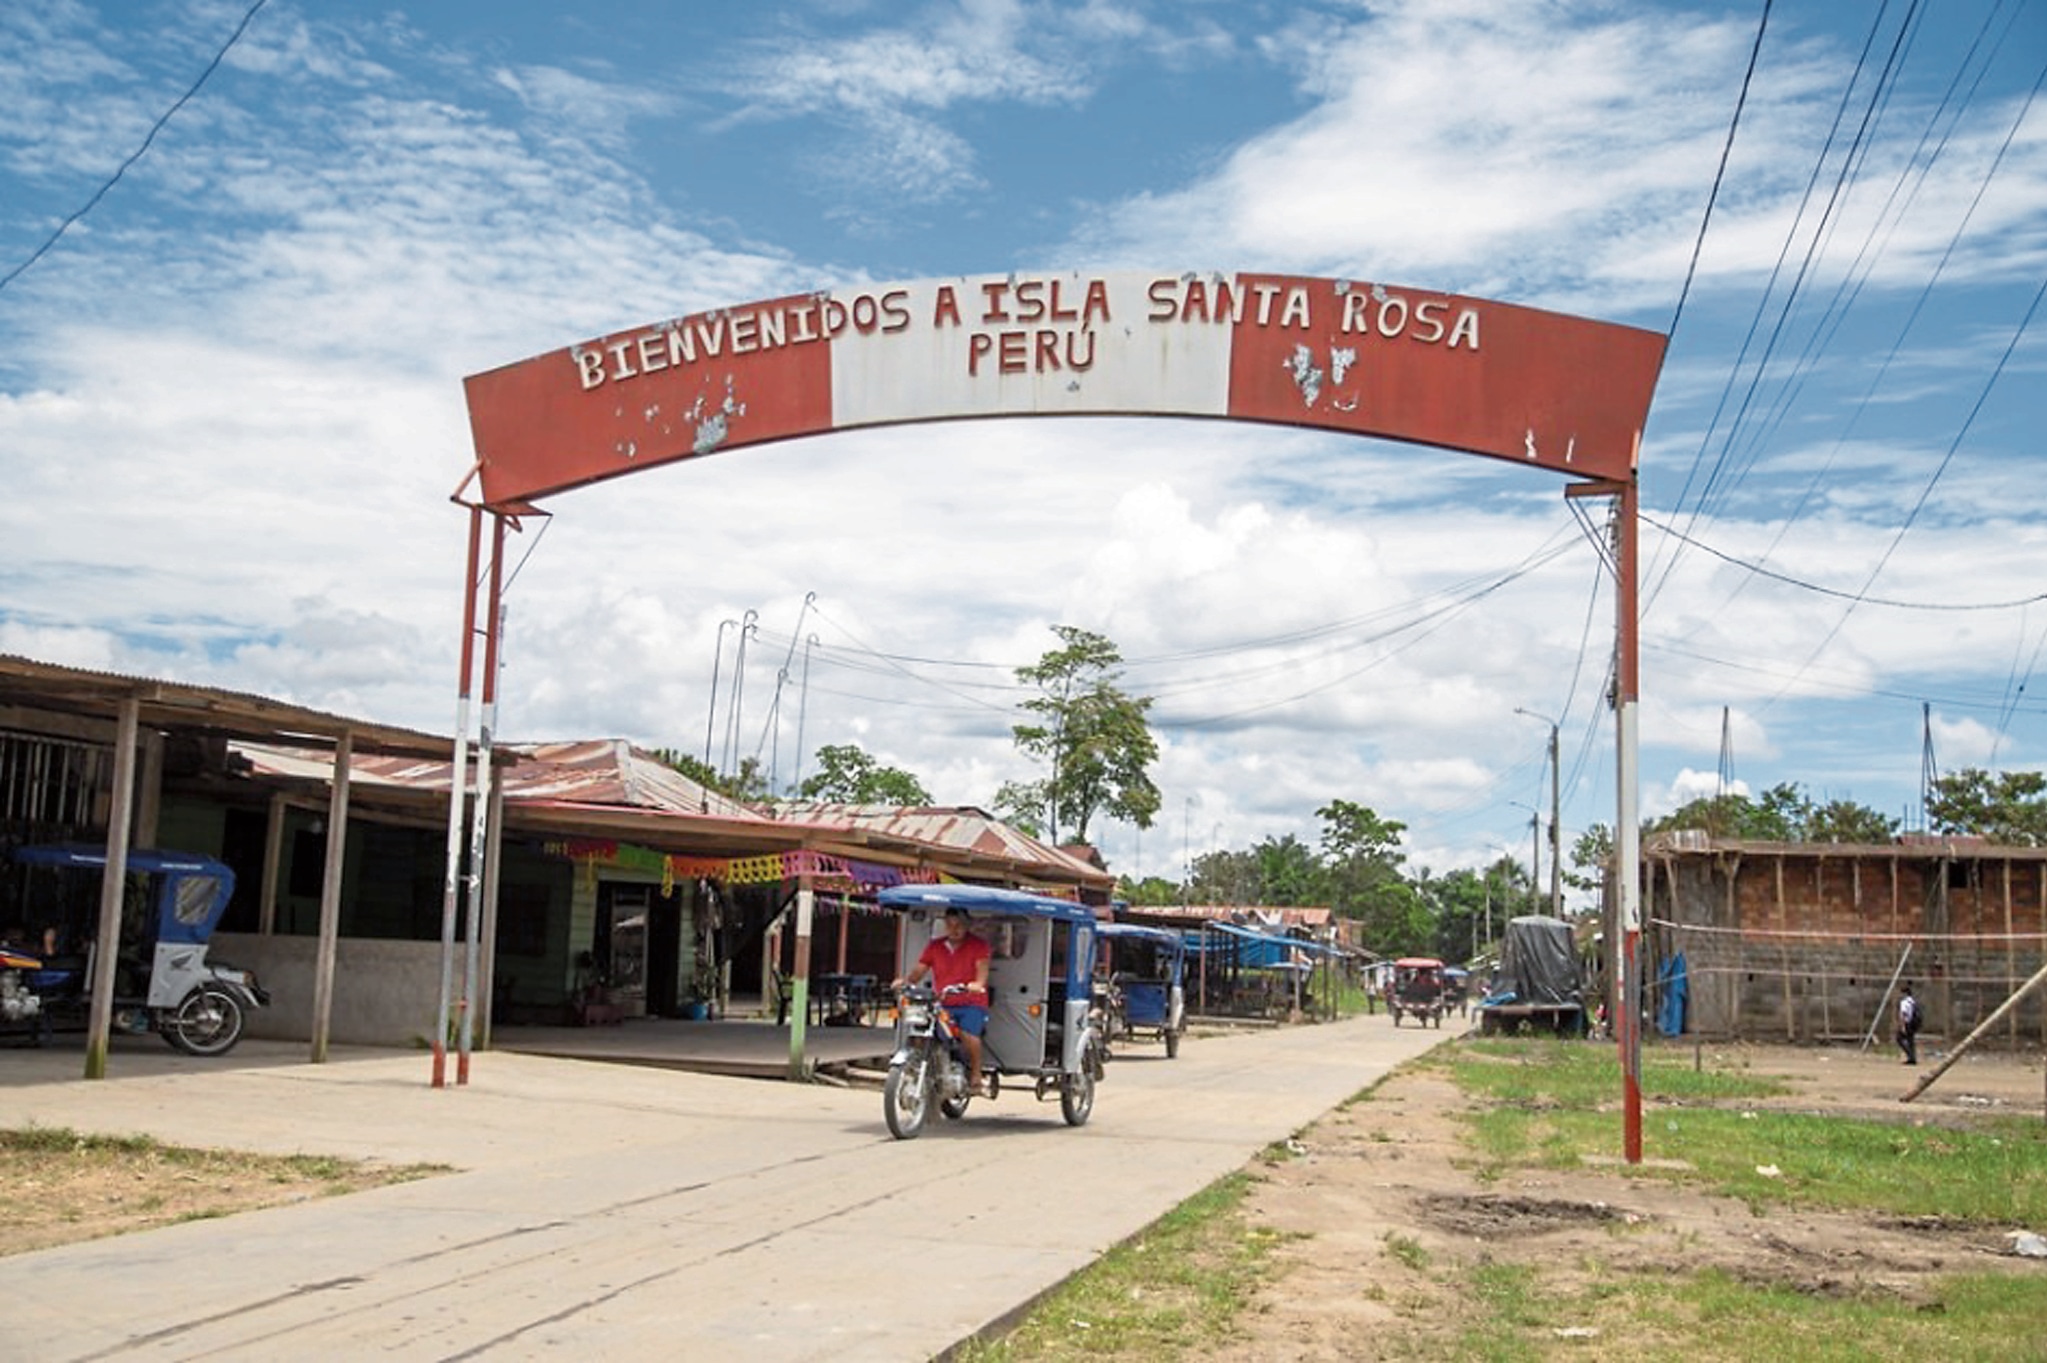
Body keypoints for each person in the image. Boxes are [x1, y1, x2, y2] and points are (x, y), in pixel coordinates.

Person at [896, 907, 993, 1095]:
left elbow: (982, 969)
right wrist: (906, 982)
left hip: (971, 1002)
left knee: (967, 1033)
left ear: (967, 926)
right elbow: (920, 970)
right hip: (943, 1002)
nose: (954, 929)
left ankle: (976, 1075)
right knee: (922, 1031)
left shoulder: (978, 946)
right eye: (950, 925)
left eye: (958, 925)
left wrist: (978, 983)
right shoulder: (935, 946)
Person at [1896, 984, 1922, 1065]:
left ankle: (1910, 1055)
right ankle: (1912, 1058)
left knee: (1899, 1038)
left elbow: (1904, 1014)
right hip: (1913, 1023)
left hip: (1907, 1023)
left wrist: (1902, 1026)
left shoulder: (1904, 1002)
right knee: (1910, 1040)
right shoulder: (1912, 1001)